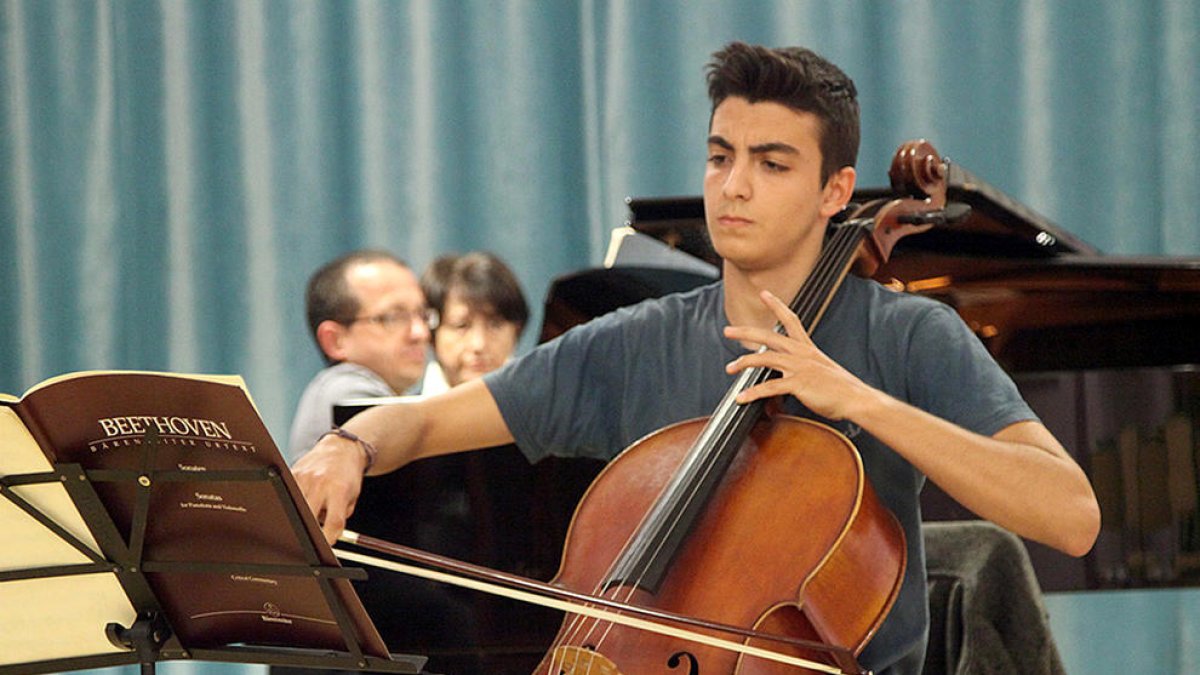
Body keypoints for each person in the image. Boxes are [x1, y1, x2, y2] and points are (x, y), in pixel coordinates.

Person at [293, 42, 1100, 673]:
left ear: (835, 190)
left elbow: (1070, 515)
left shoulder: (907, 337)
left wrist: (860, 400)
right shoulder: (634, 342)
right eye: (721, 156)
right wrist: (348, 445)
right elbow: (422, 421)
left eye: (771, 163)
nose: (733, 186)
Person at [285, 249, 432, 464]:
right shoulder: (346, 392)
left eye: (422, 315)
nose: (420, 333)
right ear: (335, 340)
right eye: (393, 317)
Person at [418, 251, 530, 394]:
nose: (479, 344)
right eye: (461, 326)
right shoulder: (406, 413)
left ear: (517, 329)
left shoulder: (542, 412)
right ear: (431, 334)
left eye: (495, 325)